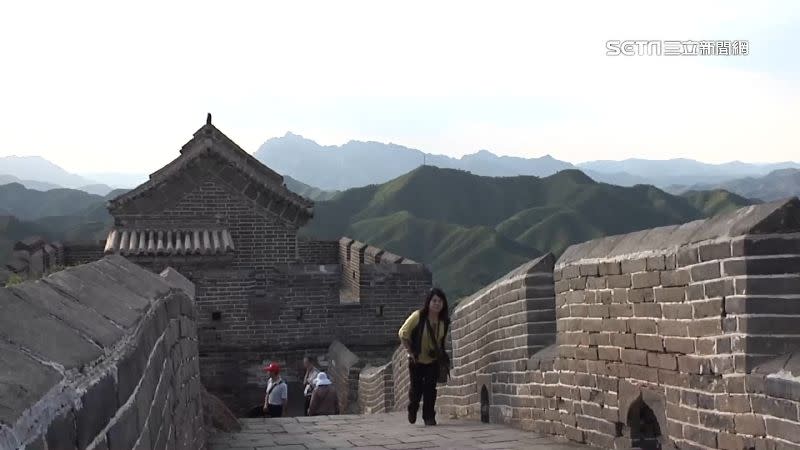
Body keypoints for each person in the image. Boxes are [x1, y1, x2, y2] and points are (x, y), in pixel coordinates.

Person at [398, 287, 450, 426]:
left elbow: (441, 341)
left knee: (430, 389)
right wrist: (410, 351)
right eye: (434, 300)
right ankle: (412, 408)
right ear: (428, 302)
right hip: (416, 359)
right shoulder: (418, 316)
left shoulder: (443, 321)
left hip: (432, 360)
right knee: (416, 389)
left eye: (440, 301)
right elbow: (403, 333)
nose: (437, 303)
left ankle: (429, 416)